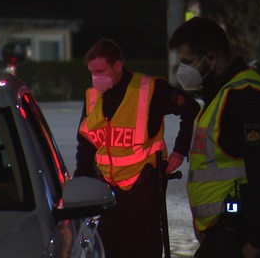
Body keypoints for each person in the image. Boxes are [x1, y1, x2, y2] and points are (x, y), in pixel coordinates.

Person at [168, 17, 260, 257]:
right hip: (226, 231)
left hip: (243, 234)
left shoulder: (247, 97)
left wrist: (257, 241)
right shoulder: (222, 95)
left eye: (187, 61)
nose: (182, 69)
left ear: (212, 58)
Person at [73, 39, 200, 258]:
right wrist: (81, 182)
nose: (96, 78)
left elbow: (190, 108)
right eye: (92, 72)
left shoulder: (149, 89)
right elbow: (85, 143)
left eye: (101, 71)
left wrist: (181, 149)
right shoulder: (93, 96)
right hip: (108, 190)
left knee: (142, 248)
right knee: (109, 249)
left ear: (118, 66)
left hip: (142, 187)